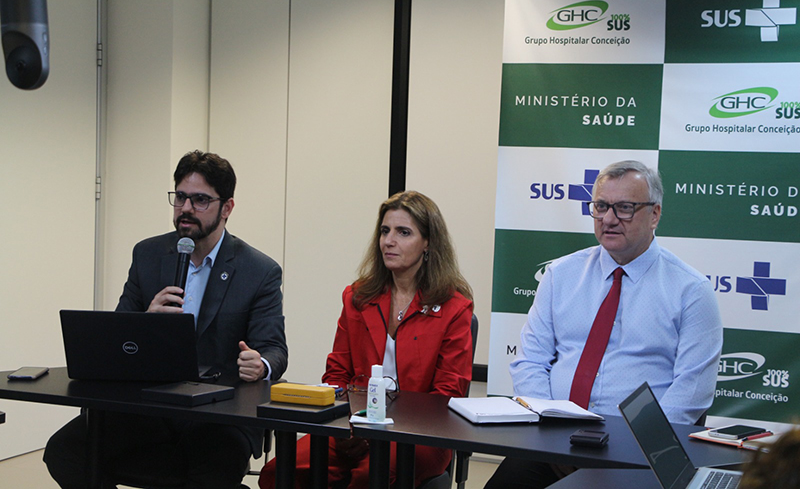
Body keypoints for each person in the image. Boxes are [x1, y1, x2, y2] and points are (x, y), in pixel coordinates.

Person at [44, 150, 288, 489]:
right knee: (65, 451)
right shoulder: (148, 254)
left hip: (220, 412)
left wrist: (260, 364)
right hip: (149, 407)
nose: (186, 208)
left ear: (227, 208)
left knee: (212, 468)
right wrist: (146, 322)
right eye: (181, 197)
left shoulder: (258, 270)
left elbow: (275, 349)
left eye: (200, 200)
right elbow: (114, 338)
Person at [484, 160, 722, 489]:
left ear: (654, 214)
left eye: (624, 208)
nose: (609, 219)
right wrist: (550, 435)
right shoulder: (560, 275)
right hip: (553, 442)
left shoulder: (691, 291)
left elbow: (690, 395)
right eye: (601, 206)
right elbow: (530, 362)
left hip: (639, 455)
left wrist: (632, 453)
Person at [259, 190, 474, 489]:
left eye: (403, 232)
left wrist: (377, 432)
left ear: (428, 242)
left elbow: (446, 394)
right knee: (280, 470)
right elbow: (337, 373)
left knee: (369, 476)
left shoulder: (454, 307)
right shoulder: (358, 297)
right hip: (354, 424)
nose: (389, 241)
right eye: (385, 231)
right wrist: (350, 424)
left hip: (420, 434)